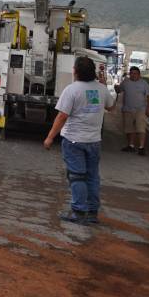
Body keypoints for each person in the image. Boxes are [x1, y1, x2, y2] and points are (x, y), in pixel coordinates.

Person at [44, 56, 115, 225]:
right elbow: (111, 107)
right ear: (93, 72)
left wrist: (49, 137)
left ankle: (78, 211)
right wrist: (104, 86)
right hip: (94, 141)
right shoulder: (101, 89)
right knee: (92, 177)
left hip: (74, 141)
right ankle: (92, 212)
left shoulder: (72, 90)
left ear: (75, 71)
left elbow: (62, 116)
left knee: (77, 176)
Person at [116, 66, 149, 155]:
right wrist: (116, 87)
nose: (133, 75)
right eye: (132, 73)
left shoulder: (144, 83)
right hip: (128, 109)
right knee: (129, 128)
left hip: (140, 109)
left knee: (140, 128)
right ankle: (131, 145)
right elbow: (119, 90)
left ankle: (141, 147)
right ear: (129, 74)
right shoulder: (126, 82)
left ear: (139, 75)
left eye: (135, 74)